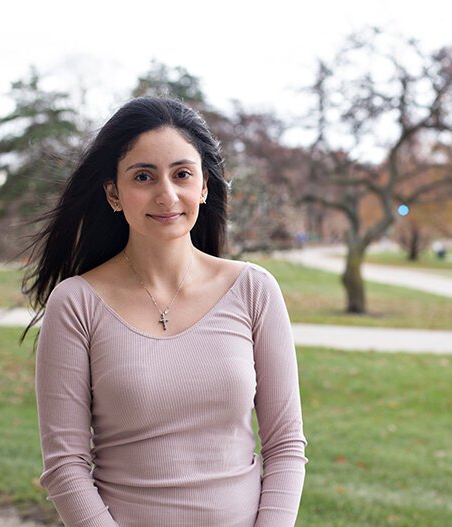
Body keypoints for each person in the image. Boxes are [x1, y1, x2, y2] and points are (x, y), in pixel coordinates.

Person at [22, 96, 307, 527]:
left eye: (182, 174)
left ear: (205, 186)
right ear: (114, 193)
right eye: (143, 176)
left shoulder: (254, 290)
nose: (166, 194)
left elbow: (285, 445)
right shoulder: (76, 303)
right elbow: (65, 467)